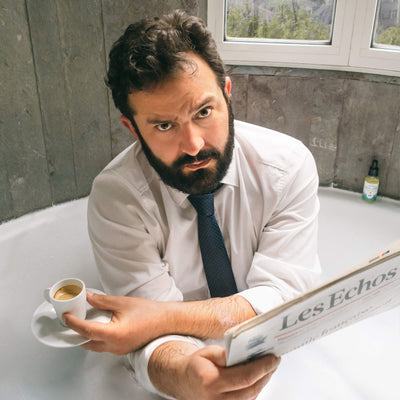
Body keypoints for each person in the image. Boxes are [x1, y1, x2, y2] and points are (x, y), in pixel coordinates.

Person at [64, 9, 320, 400]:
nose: (194, 145)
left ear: (228, 95)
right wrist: (184, 375)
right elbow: (148, 338)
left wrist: (162, 318)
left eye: (204, 112)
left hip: (280, 355)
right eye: (164, 125)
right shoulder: (117, 197)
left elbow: (284, 296)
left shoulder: (285, 166)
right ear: (132, 128)